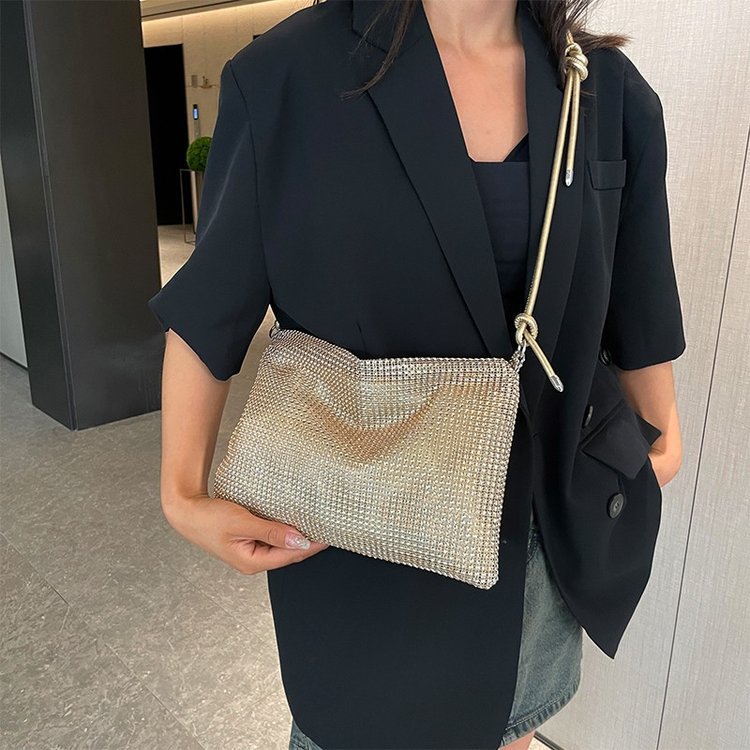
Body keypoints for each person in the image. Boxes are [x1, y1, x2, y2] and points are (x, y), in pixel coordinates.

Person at [147, 0, 687, 748]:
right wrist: (180, 493)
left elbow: (639, 298)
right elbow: (211, 305)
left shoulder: (606, 90)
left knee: (514, 728)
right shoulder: (286, 77)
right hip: (367, 544)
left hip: (537, 549)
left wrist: (662, 441)